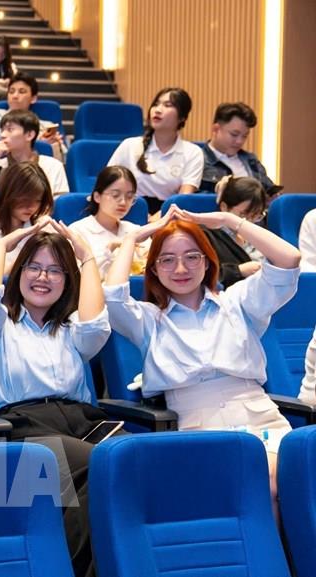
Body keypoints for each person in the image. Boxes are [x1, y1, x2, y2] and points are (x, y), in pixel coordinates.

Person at [104, 207, 301, 503]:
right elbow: (112, 297)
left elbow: (289, 259)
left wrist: (228, 220)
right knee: (262, 484)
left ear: (207, 262)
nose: (180, 269)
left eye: (192, 257)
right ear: (153, 269)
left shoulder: (238, 302)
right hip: (198, 426)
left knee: (286, 479)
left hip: (261, 419)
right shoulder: (148, 320)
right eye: (167, 260)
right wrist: (132, 238)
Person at [0, 218, 110, 577]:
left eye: (55, 270)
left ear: (67, 280)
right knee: (99, 465)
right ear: (17, 272)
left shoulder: (71, 329)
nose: (43, 277)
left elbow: (96, 326)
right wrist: (3, 245)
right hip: (21, 427)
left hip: (83, 421)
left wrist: (87, 258)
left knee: (137, 460)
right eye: (33, 267)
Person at [107, 87, 203, 214]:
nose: (157, 110)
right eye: (156, 104)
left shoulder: (193, 152)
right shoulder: (129, 145)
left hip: (170, 215)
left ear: (182, 118)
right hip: (128, 211)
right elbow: (107, 185)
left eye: (167, 105)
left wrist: (159, 218)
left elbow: (183, 198)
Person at [0, 160, 54, 275]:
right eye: (25, 200)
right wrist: (26, 256)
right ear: (8, 196)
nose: (31, 206)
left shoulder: (44, 229)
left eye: (37, 200)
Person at [67, 166, 147, 277]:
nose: (123, 202)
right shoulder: (77, 232)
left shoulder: (135, 230)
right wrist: (110, 249)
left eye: (129, 197)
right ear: (97, 196)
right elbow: (76, 277)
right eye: (115, 195)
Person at [201, 102, 279, 196]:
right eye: (234, 134)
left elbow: (271, 191)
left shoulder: (251, 161)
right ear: (216, 129)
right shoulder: (199, 160)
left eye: (244, 136)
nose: (240, 141)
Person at [0, 109, 69, 194]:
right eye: (2, 130)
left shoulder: (53, 166)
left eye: (10, 129)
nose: (2, 135)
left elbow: (59, 202)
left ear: (29, 135)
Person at [201, 176, 267, 288]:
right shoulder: (207, 235)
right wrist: (239, 271)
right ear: (224, 207)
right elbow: (202, 276)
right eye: (243, 214)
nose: (249, 221)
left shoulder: (259, 234)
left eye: (256, 215)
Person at [0, 73, 64, 155]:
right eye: (11, 92)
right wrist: (39, 144)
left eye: (21, 92)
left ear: (33, 98)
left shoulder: (47, 126)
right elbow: (0, 145)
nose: (15, 96)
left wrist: (55, 145)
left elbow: (64, 157)